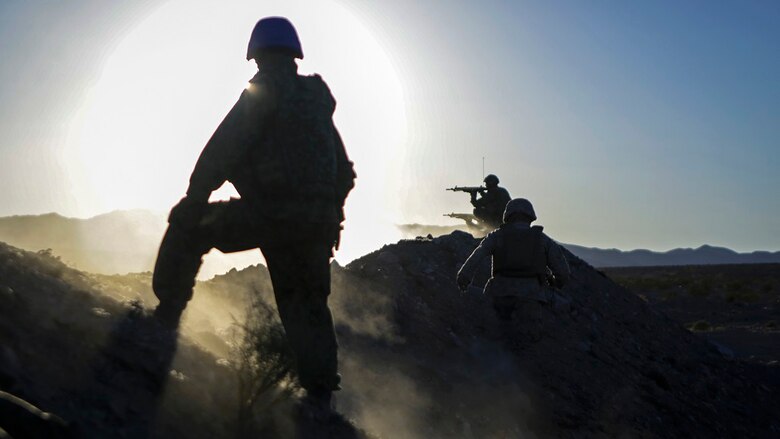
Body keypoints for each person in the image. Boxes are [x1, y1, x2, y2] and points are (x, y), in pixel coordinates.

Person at [151, 17, 355, 408]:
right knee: (308, 304)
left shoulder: (263, 88)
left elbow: (222, 149)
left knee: (187, 225)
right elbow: (344, 172)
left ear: (257, 54)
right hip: (316, 226)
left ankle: (165, 314)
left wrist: (195, 198)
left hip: (272, 215)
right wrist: (333, 219)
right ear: (294, 52)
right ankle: (320, 395)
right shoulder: (315, 104)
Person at [457, 198, 570, 338]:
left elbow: (477, 256)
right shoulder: (542, 239)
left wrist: (464, 277)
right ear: (530, 216)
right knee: (528, 341)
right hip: (532, 295)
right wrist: (554, 283)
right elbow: (563, 273)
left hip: (499, 292)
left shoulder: (496, 236)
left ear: (508, 216)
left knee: (495, 336)